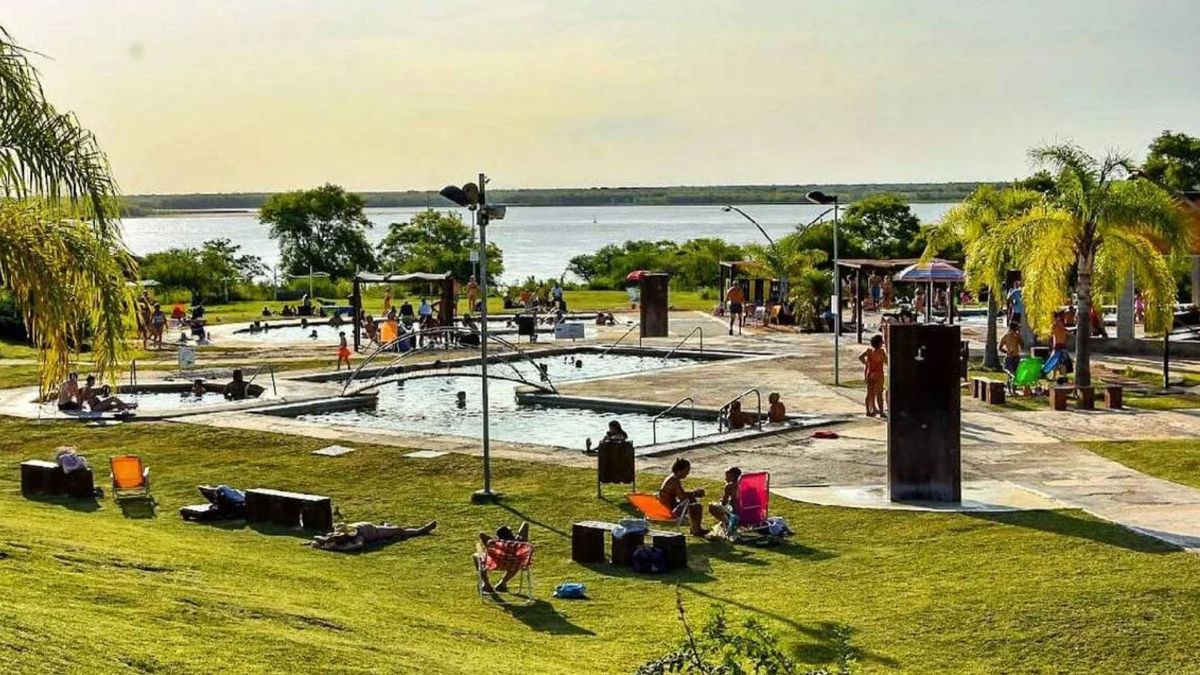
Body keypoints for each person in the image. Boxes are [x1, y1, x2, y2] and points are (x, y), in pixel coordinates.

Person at [312, 520, 437, 552]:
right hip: (376, 531)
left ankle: (387, 525)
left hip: (373, 526)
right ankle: (421, 530)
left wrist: (326, 541)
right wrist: (340, 548)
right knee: (399, 530)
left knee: (392, 528)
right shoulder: (357, 537)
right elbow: (358, 546)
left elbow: (318, 538)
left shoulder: (339, 533)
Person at [478, 522, 530, 593]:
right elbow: (525, 524)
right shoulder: (520, 544)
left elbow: (481, 534)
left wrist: (497, 541)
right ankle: (502, 583)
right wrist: (518, 536)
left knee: (478, 556)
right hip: (514, 565)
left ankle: (487, 584)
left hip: (497, 564)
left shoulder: (495, 545)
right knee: (517, 563)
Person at [659, 458, 706, 537]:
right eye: (687, 470)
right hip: (670, 511)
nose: (688, 473)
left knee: (691, 500)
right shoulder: (674, 480)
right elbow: (682, 497)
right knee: (697, 507)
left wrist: (692, 494)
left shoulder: (671, 478)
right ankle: (696, 530)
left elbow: (680, 494)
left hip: (665, 508)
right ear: (680, 470)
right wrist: (695, 493)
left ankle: (695, 528)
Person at [859, 334, 887, 418]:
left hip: (870, 373)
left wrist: (866, 363)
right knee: (879, 394)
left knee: (869, 393)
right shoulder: (881, 352)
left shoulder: (869, 351)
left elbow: (860, 357)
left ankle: (868, 411)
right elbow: (886, 361)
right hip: (878, 374)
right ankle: (881, 411)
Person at [707, 466, 743, 533]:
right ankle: (726, 522)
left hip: (734, 512)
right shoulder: (743, 485)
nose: (725, 478)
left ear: (732, 476)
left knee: (712, 506)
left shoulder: (729, 486)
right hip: (743, 511)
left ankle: (726, 522)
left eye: (727, 476)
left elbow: (724, 502)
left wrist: (721, 503)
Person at [999, 322, 1027, 395]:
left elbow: (1000, 348)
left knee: (1011, 374)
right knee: (1014, 374)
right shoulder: (1015, 336)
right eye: (1017, 327)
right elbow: (1022, 345)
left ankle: (1011, 390)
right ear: (1015, 328)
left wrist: (1007, 352)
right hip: (1014, 357)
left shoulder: (1006, 336)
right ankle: (1012, 390)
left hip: (1011, 357)